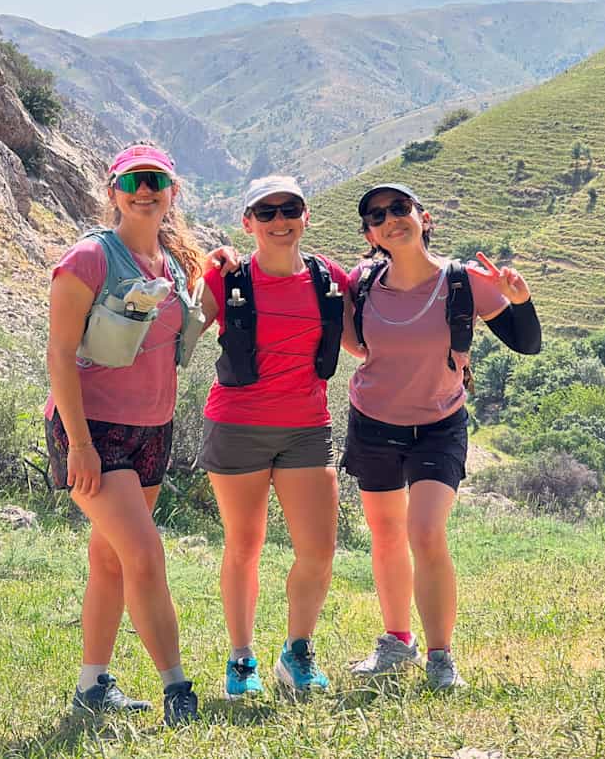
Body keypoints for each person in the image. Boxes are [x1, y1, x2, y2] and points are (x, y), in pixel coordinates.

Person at [45, 142, 224, 726]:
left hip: (153, 430)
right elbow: (60, 355)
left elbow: (193, 318)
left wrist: (223, 267)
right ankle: (178, 692)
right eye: (133, 182)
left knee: (113, 560)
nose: (144, 191)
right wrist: (81, 444)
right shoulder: (89, 259)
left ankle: (92, 687)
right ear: (113, 190)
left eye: (156, 180)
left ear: (172, 191)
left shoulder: (172, 265)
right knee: (145, 554)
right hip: (92, 431)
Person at [341, 182, 541, 690]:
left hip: (439, 424)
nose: (391, 219)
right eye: (378, 216)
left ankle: (440, 656)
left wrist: (521, 300)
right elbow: (350, 343)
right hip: (374, 421)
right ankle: (395, 642)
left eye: (400, 208)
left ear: (423, 217)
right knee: (386, 536)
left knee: (426, 532)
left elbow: (526, 343)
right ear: (370, 234)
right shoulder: (362, 283)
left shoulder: (464, 282)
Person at [197, 175, 348, 699]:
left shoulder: (332, 279)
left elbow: (365, 343)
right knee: (244, 545)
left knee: (319, 550)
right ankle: (241, 660)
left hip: (307, 427)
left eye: (291, 210)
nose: (280, 221)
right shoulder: (228, 280)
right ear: (248, 224)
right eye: (267, 213)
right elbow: (180, 335)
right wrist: (201, 274)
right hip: (237, 425)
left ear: (306, 216)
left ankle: (297, 651)